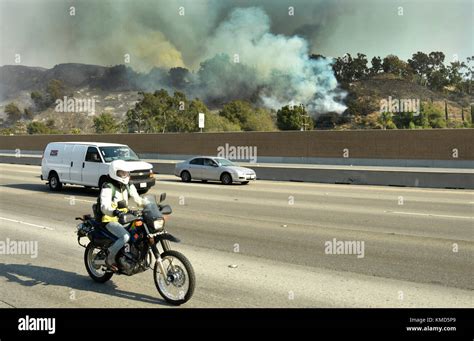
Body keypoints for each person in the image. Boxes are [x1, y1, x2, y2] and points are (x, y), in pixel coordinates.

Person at [100, 160, 144, 271]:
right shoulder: (108, 187)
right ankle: (109, 257)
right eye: (122, 173)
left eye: (126, 173)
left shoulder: (128, 186)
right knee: (125, 237)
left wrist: (151, 205)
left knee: (140, 232)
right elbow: (104, 207)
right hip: (110, 219)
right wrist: (115, 212)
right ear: (115, 172)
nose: (125, 175)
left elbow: (138, 200)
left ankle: (130, 257)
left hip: (125, 218)